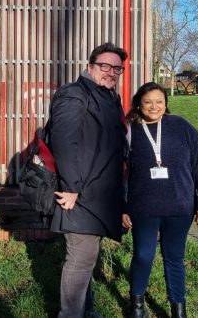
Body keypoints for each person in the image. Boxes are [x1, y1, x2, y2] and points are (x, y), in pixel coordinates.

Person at [48, 42, 128, 318]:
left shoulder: (108, 97)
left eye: (117, 68)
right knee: (80, 260)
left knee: (87, 259)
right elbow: (63, 141)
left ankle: (87, 312)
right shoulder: (75, 94)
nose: (111, 72)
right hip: (80, 194)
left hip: (98, 194)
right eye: (105, 66)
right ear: (91, 66)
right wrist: (71, 188)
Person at [122, 82, 198, 318]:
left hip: (179, 206)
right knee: (143, 254)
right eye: (148, 101)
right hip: (143, 207)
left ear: (166, 104)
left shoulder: (181, 126)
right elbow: (120, 173)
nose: (154, 106)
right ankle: (137, 306)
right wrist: (122, 207)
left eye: (159, 102)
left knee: (174, 258)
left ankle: (178, 309)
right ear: (138, 104)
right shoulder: (130, 130)